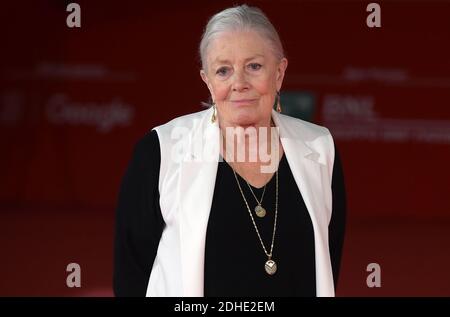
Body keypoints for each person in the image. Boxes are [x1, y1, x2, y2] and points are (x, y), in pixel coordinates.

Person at [113, 4, 346, 297]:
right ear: (207, 81)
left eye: (254, 66)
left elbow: (326, 261)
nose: (239, 83)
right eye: (223, 70)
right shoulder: (161, 150)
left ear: (279, 73)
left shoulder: (320, 147)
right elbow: (132, 273)